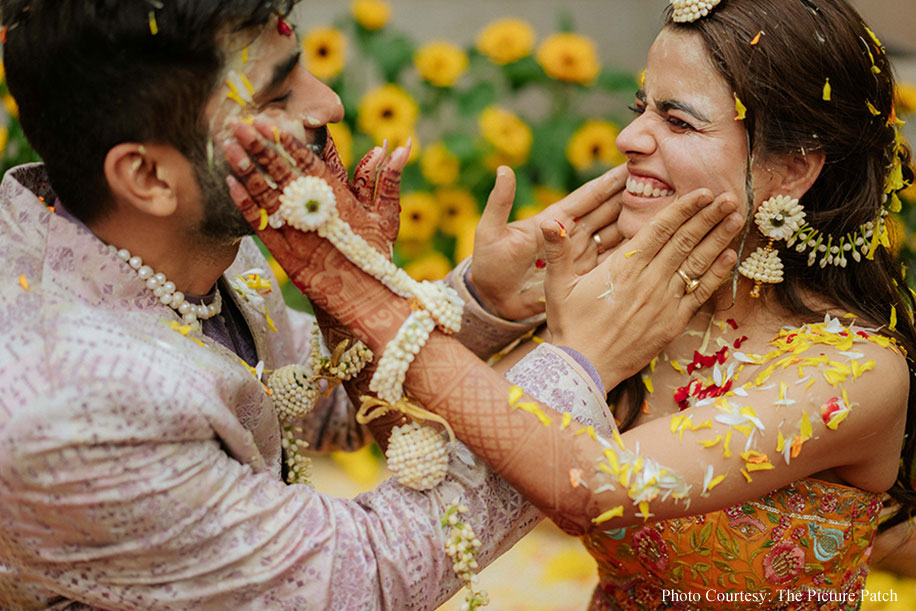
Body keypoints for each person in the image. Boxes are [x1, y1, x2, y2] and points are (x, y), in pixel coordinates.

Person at [0, 1, 741, 608]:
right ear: (146, 177)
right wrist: (582, 364)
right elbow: (360, 574)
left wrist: (476, 301)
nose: (331, 103)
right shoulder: (71, 403)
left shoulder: (188, 245)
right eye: (278, 96)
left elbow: (312, 403)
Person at [232, 0, 916, 608]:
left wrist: (367, 294)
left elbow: (590, 482)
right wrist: (368, 293)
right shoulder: (637, 311)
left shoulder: (855, 372)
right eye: (640, 107)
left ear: (794, 168)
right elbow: (430, 459)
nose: (630, 139)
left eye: (677, 120)